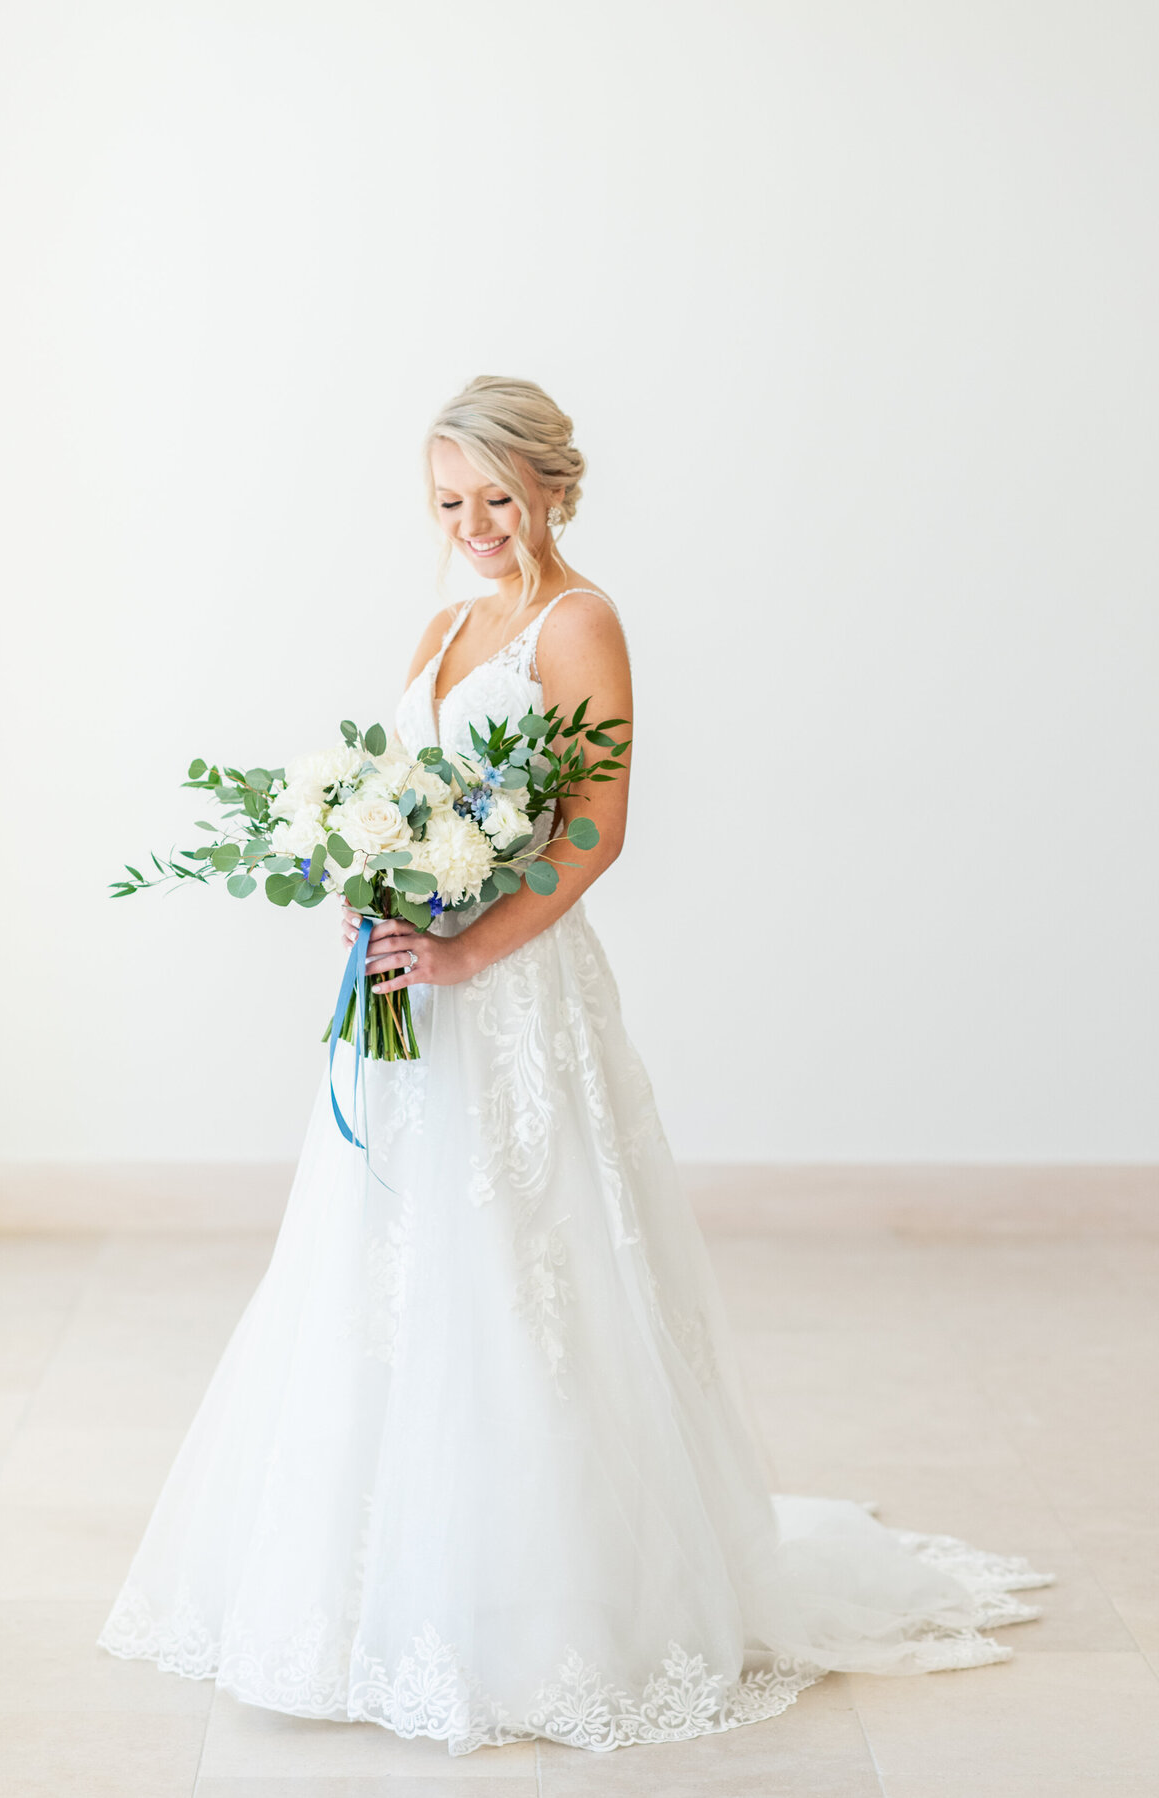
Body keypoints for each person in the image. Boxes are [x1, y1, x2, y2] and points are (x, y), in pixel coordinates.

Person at [97, 375, 1052, 1756]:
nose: (475, 523)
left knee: (528, 1267)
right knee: (390, 1267)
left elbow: (592, 829)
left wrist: (474, 949)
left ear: (552, 486)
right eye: (448, 501)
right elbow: (416, 798)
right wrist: (373, 885)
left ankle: (551, 1604)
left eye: (498, 496)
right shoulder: (442, 622)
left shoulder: (578, 619)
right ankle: (379, 1588)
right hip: (410, 987)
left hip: (516, 992)